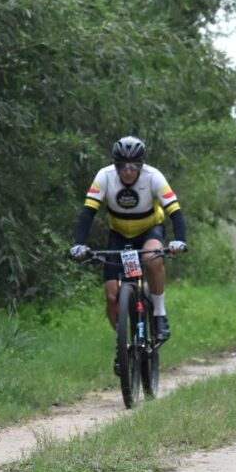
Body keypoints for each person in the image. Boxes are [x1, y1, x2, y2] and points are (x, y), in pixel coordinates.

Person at [69, 135, 187, 373]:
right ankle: (122, 344)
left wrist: (179, 241)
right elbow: (87, 213)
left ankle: (160, 314)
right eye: (122, 165)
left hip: (149, 229)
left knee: (151, 257)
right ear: (115, 165)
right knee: (112, 296)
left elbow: (174, 211)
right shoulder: (104, 176)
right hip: (119, 233)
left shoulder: (154, 177)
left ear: (142, 164)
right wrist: (78, 245)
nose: (128, 171)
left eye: (134, 165)